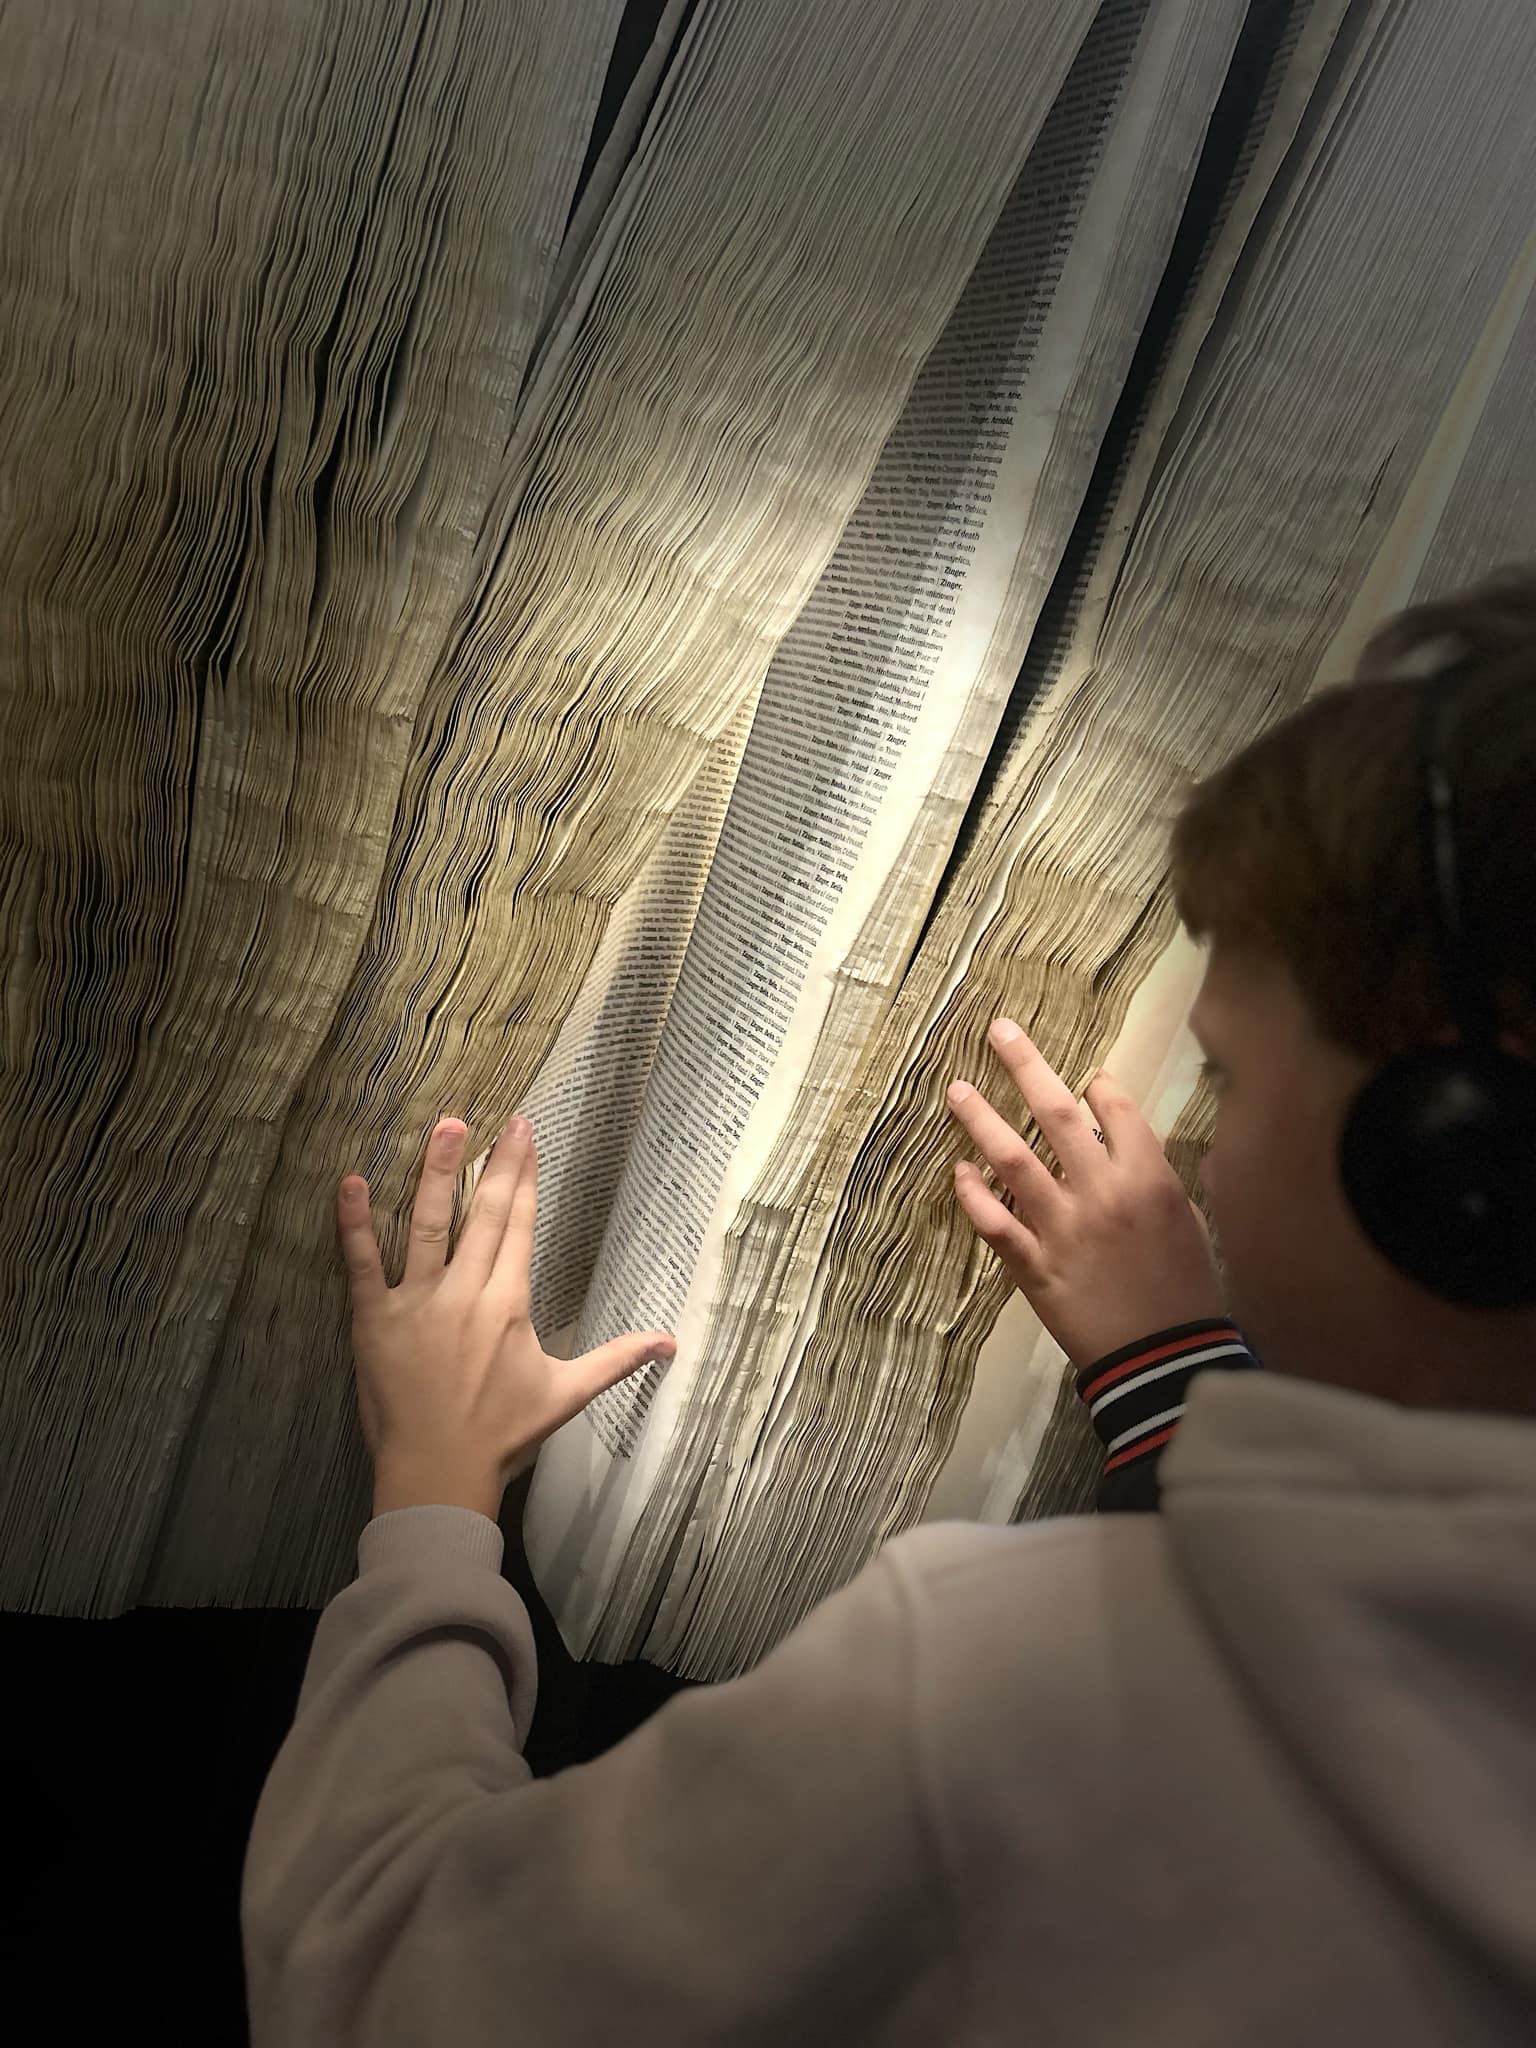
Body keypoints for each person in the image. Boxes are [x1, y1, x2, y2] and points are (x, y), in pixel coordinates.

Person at [242, 572, 1536, 2046]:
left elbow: (373, 1982)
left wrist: (430, 1500)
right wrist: (1170, 1368)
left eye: (1231, 1081)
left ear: (1464, 1159)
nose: (1204, 1160)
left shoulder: (1002, 1690)